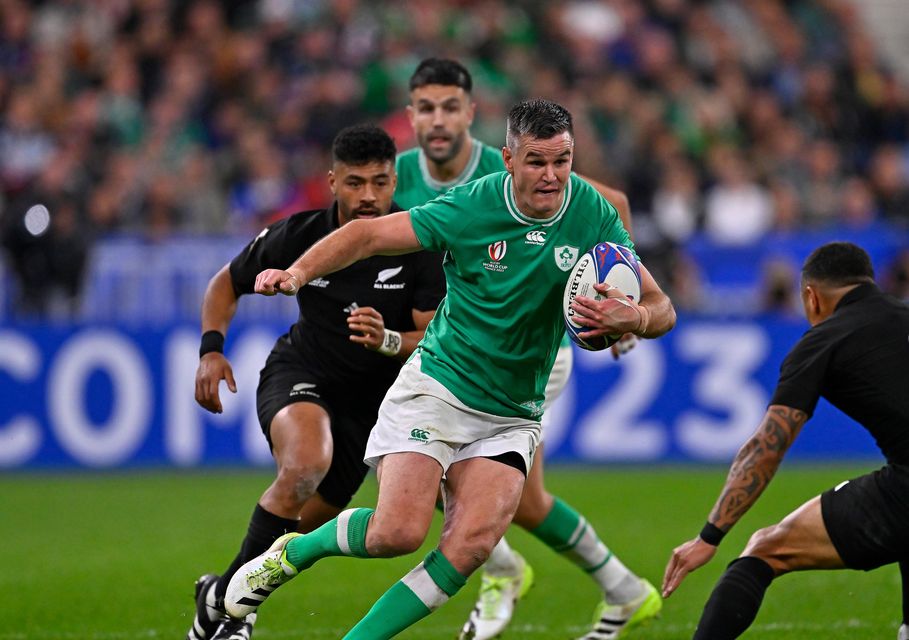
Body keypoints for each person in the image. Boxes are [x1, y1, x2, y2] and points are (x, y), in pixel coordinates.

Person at [224, 98, 676, 640]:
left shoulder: (593, 215)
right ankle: (292, 551)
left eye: (563, 161)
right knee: (397, 532)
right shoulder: (471, 206)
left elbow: (662, 307)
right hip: (439, 388)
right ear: (508, 159)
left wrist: (635, 317)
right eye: (537, 161)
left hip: (513, 412)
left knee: (469, 548)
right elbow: (367, 236)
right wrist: (297, 273)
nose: (552, 176)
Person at [395, 57, 660, 640]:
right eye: (426, 107)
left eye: (450, 107)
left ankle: (501, 571)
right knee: (523, 502)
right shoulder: (393, 175)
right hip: (460, 343)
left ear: (470, 114)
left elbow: (610, 202)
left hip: (528, 351)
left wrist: (617, 297)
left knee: (448, 480)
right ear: (410, 115)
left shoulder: (507, 167)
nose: (438, 121)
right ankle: (623, 588)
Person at [185, 124, 445, 640]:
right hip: (302, 374)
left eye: (379, 182)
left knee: (295, 537)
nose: (368, 196)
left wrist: (390, 339)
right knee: (305, 464)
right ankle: (239, 617)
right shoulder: (302, 235)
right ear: (332, 181)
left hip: (372, 409)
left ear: (395, 180)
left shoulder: (419, 244)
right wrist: (211, 350)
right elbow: (225, 283)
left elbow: (436, 335)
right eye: (354, 183)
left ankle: (218, 598)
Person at [662, 241, 909, 640]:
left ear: (811, 297)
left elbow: (766, 448)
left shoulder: (822, 341)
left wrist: (709, 537)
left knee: (764, 547)